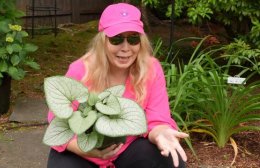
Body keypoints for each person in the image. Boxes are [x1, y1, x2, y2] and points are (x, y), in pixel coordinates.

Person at [46, 3, 189, 168]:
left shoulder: (150, 68)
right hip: (83, 150)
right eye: (117, 39)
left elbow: (156, 118)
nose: (126, 48)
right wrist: (85, 149)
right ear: (103, 41)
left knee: (168, 156)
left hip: (127, 149)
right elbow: (59, 122)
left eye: (133, 39)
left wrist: (161, 133)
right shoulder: (81, 70)